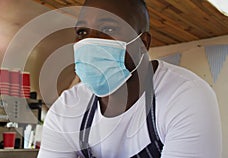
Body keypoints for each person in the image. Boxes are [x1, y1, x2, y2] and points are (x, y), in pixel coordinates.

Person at [37, 0, 222, 157]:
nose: (90, 41)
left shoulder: (185, 96)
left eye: (108, 28)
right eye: (82, 32)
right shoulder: (67, 108)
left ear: (143, 43)